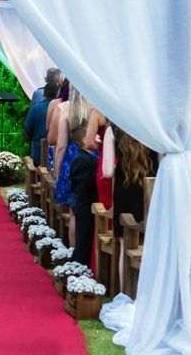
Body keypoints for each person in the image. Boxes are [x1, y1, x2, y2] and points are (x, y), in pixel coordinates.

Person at [102, 126, 157, 291]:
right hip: (149, 190)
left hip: (124, 190)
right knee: (149, 244)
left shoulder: (113, 130)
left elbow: (107, 171)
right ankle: (149, 292)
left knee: (125, 244)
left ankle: (126, 293)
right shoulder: (152, 126)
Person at [54, 88, 91, 247]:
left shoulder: (66, 110)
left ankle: (74, 252)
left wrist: (57, 170)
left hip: (71, 160)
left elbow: (61, 146)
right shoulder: (94, 109)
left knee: (74, 212)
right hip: (90, 157)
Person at [68, 121, 98, 266]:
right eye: (93, 135)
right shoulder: (81, 160)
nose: (97, 137)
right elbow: (84, 184)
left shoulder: (87, 157)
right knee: (83, 240)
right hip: (84, 206)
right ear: (84, 141)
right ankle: (79, 265)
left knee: (86, 239)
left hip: (85, 205)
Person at [85, 108, 113, 209]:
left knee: (105, 209)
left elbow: (89, 143)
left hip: (106, 161)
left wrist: (104, 144)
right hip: (130, 163)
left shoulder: (99, 110)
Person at [24, 82, 56, 166]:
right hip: (57, 153)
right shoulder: (61, 108)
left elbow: (27, 128)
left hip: (38, 152)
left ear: (44, 94)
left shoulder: (36, 108)